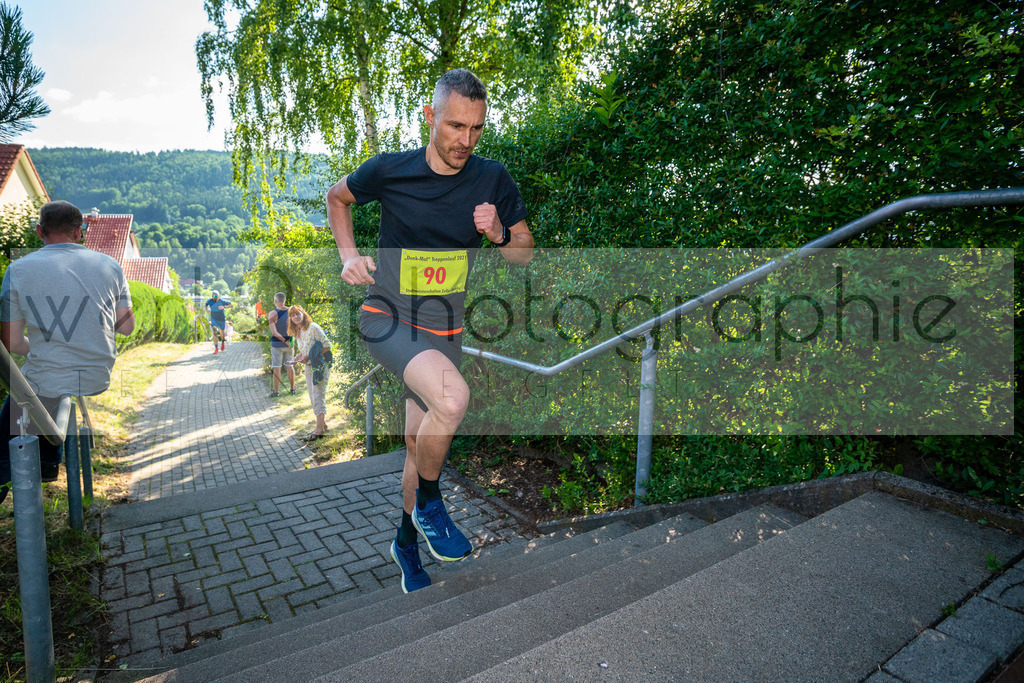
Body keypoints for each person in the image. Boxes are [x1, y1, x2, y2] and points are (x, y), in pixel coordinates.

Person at [326, 68, 534, 593]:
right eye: (456, 126)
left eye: (477, 128)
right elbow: (336, 198)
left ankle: (405, 541)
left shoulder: (492, 179)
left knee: (419, 445)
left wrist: (499, 232)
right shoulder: (390, 170)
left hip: (445, 333)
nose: (466, 140)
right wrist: (348, 255)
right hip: (388, 318)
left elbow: (523, 254)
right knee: (453, 398)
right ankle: (432, 504)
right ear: (430, 117)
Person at [0, 200, 135, 504]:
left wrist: (43, 347)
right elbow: (126, 327)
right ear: (79, 231)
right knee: (46, 390)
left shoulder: (18, 269)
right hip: (97, 375)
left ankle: (38, 467)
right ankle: (49, 461)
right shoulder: (110, 266)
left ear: (39, 231)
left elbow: (11, 343)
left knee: (24, 400)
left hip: (48, 380)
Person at [286, 304, 332, 441]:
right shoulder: (298, 331)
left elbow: (327, 346)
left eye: (298, 314)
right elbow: (305, 351)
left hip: (320, 365)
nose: (296, 317)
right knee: (313, 396)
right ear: (290, 318)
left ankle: (319, 430)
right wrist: (295, 359)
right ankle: (323, 424)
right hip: (309, 366)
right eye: (293, 315)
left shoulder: (313, 327)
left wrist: (309, 356)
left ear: (303, 314)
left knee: (318, 394)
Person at [267, 292, 296, 397]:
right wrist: (290, 342)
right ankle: (292, 389)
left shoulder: (272, 314)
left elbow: (274, 333)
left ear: (275, 301)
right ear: (285, 300)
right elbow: (295, 329)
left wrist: (285, 341)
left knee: (277, 368)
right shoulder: (291, 312)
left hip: (276, 345)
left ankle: (276, 392)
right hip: (289, 345)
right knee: (290, 366)